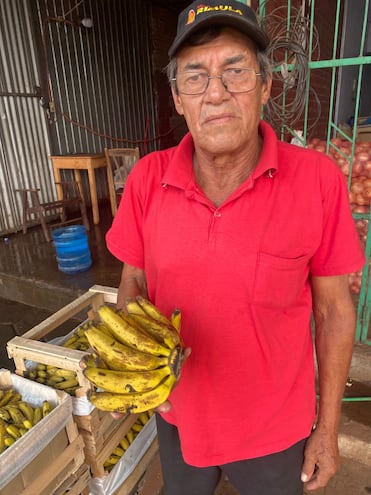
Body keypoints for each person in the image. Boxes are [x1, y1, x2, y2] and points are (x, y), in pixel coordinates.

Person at [106, 1, 365, 493]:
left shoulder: (317, 180)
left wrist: (327, 430)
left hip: (276, 430)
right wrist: (134, 368)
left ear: (266, 86)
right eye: (195, 77)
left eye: (235, 71)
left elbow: (334, 311)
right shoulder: (147, 179)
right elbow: (133, 281)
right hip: (178, 413)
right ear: (178, 98)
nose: (217, 93)